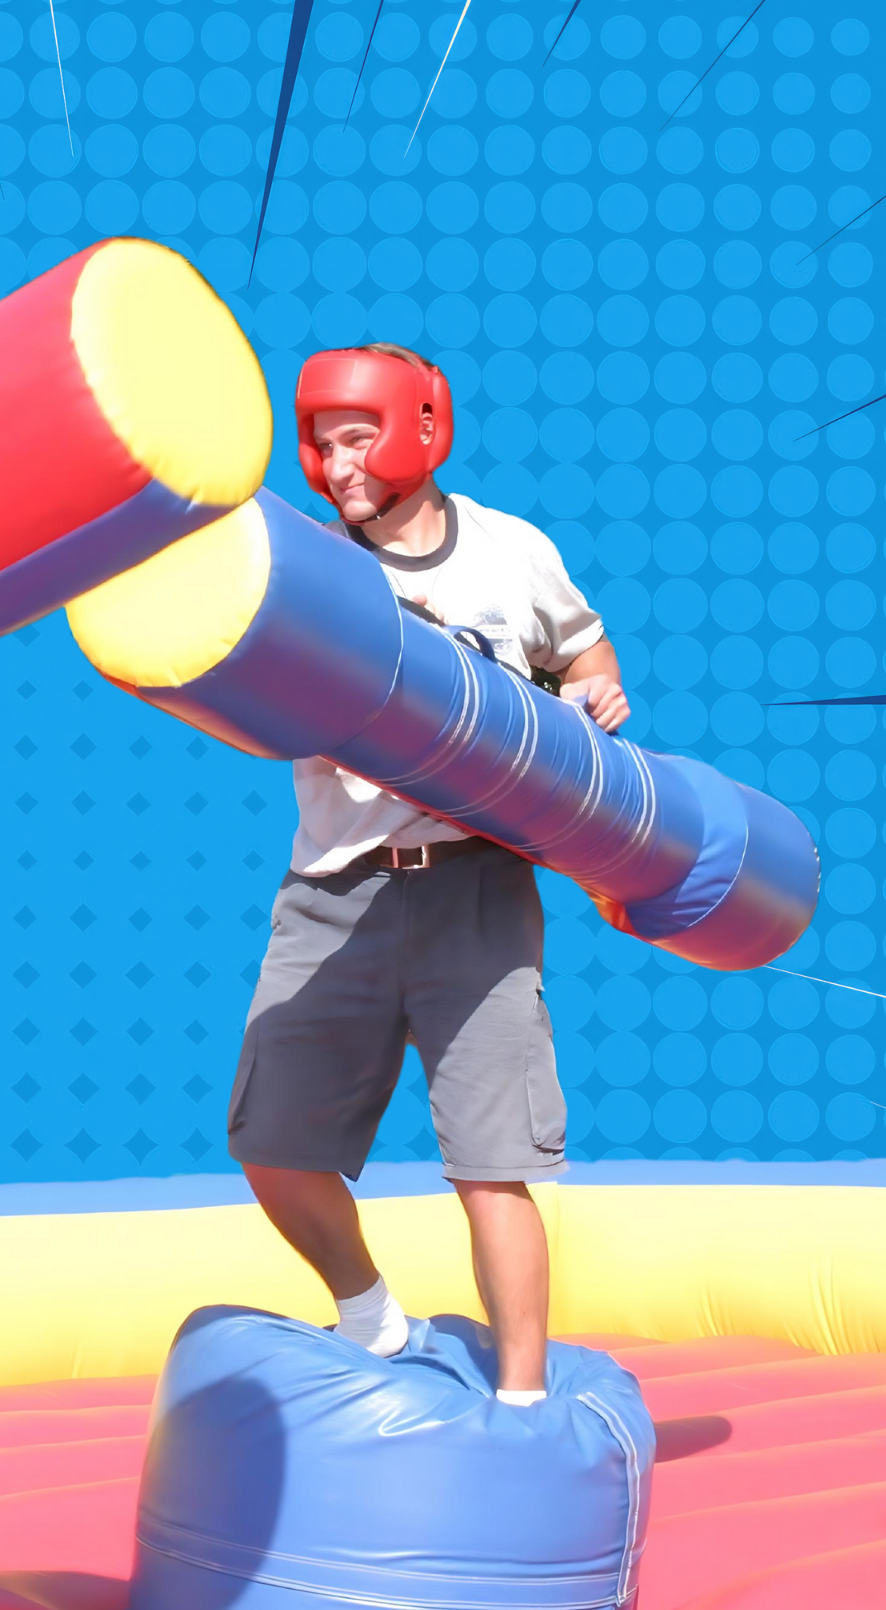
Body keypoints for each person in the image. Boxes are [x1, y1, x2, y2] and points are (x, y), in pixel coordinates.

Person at [229, 343, 632, 1403]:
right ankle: (373, 1319)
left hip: (476, 888)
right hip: (336, 887)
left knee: (493, 1167)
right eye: (318, 441)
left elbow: (587, 656)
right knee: (272, 1145)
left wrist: (598, 696)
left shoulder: (510, 553)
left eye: (353, 435)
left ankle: (526, 1401)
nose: (333, 460)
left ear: (418, 425)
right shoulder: (311, 570)